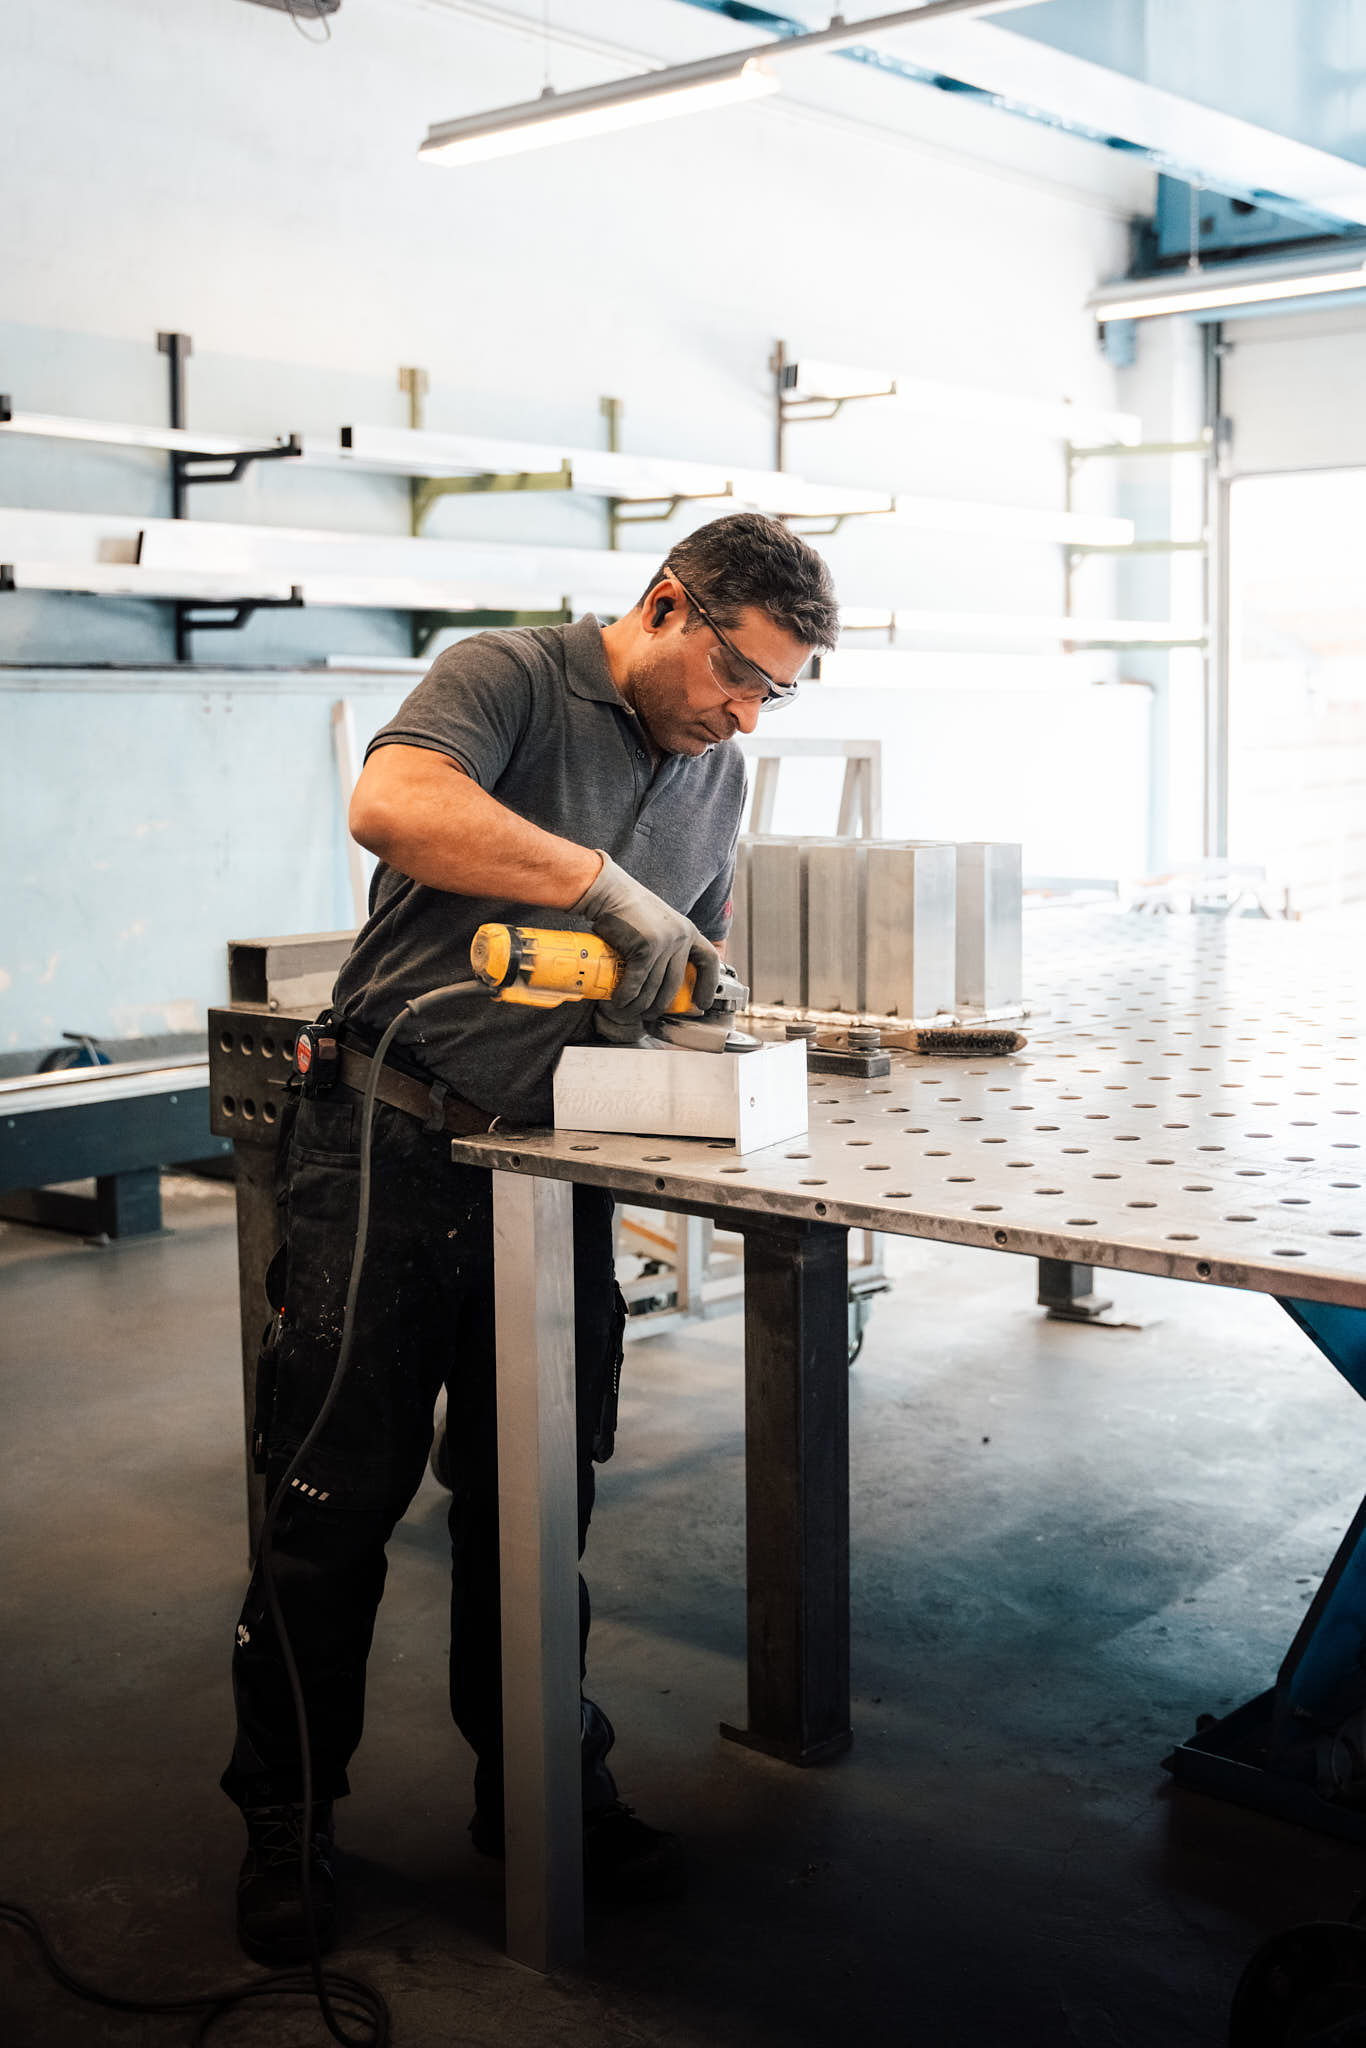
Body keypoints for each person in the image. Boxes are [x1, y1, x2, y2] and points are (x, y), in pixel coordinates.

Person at [222, 511, 840, 1964]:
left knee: (535, 1507)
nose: (745, 716)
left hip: (545, 1170)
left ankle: (543, 1791)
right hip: (383, 1145)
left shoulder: (718, 771)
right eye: (737, 675)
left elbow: (674, 966)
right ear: (668, 605)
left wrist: (694, 1012)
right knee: (330, 1504)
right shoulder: (503, 675)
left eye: (775, 694)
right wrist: (596, 886)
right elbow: (393, 806)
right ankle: (286, 1817)